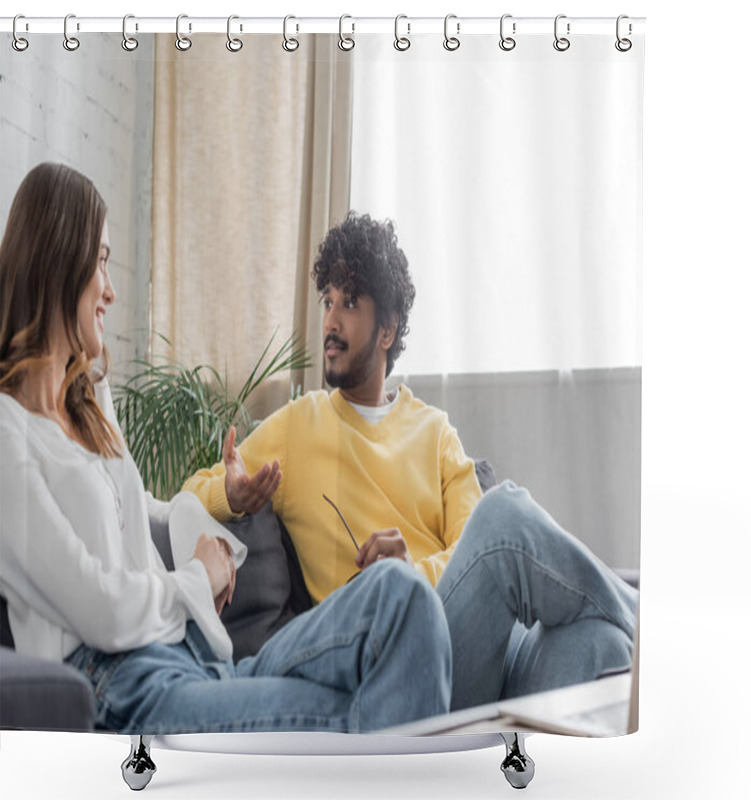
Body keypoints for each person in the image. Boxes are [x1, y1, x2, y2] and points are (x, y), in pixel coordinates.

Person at [0, 164, 452, 734]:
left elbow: (135, 509)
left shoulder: (89, 401)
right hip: (120, 687)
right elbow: (102, 609)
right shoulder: (7, 438)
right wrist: (196, 579)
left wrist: (213, 540)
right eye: (101, 261)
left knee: (401, 591)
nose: (110, 288)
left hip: (190, 659)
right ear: (56, 264)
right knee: (366, 714)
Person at [185, 211, 639, 712]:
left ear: (387, 330)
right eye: (327, 301)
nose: (330, 321)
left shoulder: (435, 431)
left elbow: (476, 550)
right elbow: (187, 495)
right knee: (506, 510)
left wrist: (414, 572)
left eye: (350, 303)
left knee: (602, 642)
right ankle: (651, 625)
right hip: (411, 660)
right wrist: (229, 493)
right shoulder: (297, 426)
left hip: (490, 653)